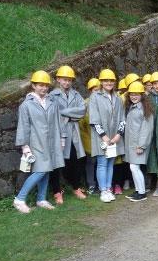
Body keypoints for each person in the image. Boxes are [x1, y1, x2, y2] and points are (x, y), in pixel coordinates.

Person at [13, 71, 66, 213]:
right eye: (40, 85)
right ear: (33, 86)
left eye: (46, 85)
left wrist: (62, 138)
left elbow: (58, 121)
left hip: (51, 142)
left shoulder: (52, 102)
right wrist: (24, 146)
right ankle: (19, 199)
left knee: (47, 169)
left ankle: (41, 199)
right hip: (35, 143)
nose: (43, 88)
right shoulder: (26, 105)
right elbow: (23, 126)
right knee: (40, 170)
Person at [48, 65, 87, 203]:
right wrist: (72, 114)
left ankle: (76, 187)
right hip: (59, 133)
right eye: (64, 79)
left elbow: (82, 111)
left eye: (69, 80)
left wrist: (63, 112)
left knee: (75, 161)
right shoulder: (51, 96)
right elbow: (52, 113)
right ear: (58, 79)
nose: (67, 82)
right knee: (57, 163)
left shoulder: (76, 95)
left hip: (74, 133)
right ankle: (57, 191)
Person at [88, 69, 126, 203]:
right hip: (101, 138)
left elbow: (122, 118)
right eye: (106, 80)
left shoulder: (117, 97)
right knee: (102, 164)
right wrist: (104, 136)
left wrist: (118, 135)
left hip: (114, 137)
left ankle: (109, 188)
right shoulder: (95, 97)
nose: (109, 83)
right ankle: (103, 190)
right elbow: (94, 119)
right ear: (101, 82)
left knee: (110, 163)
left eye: (111, 81)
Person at [124, 81, 154, 202]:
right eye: (132, 94)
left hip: (138, 144)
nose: (134, 96)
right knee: (133, 167)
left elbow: (147, 129)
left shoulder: (145, 109)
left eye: (136, 94)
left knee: (134, 167)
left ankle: (142, 193)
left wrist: (141, 145)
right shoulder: (132, 107)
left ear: (142, 95)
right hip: (132, 144)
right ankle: (138, 190)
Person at [79, 78, 101, 195]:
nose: (95, 92)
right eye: (93, 90)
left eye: (97, 90)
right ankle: (91, 184)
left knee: (101, 163)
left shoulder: (103, 102)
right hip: (89, 138)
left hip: (101, 139)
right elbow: (82, 125)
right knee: (91, 162)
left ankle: (100, 184)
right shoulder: (85, 104)